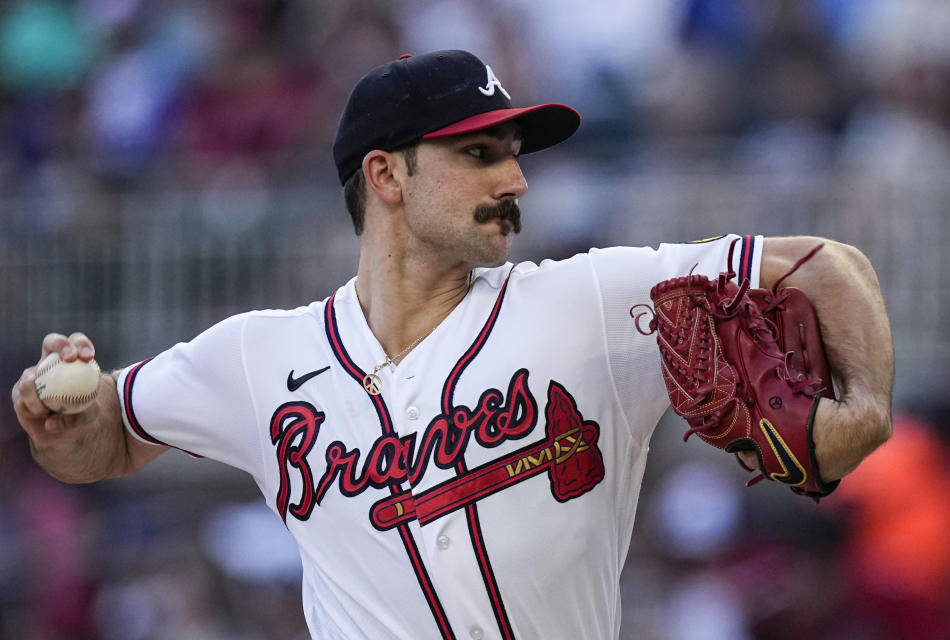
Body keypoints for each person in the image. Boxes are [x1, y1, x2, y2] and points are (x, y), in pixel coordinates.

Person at [11, 50, 893, 640]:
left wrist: (861, 413)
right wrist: (63, 428)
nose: (513, 177)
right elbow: (110, 440)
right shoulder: (255, 357)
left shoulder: (587, 298)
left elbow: (826, 265)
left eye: (512, 152)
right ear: (386, 176)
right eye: (477, 153)